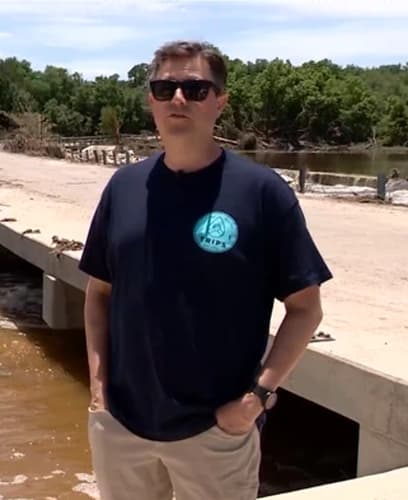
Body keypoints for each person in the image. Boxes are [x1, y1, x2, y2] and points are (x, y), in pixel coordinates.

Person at [78, 40, 333, 500]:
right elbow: (98, 294)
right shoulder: (123, 187)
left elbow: (305, 308)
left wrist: (258, 397)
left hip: (216, 432)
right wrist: (98, 389)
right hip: (121, 425)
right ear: (150, 100)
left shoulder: (262, 193)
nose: (179, 98)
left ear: (220, 101)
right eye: (165, 87)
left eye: (196, 89)